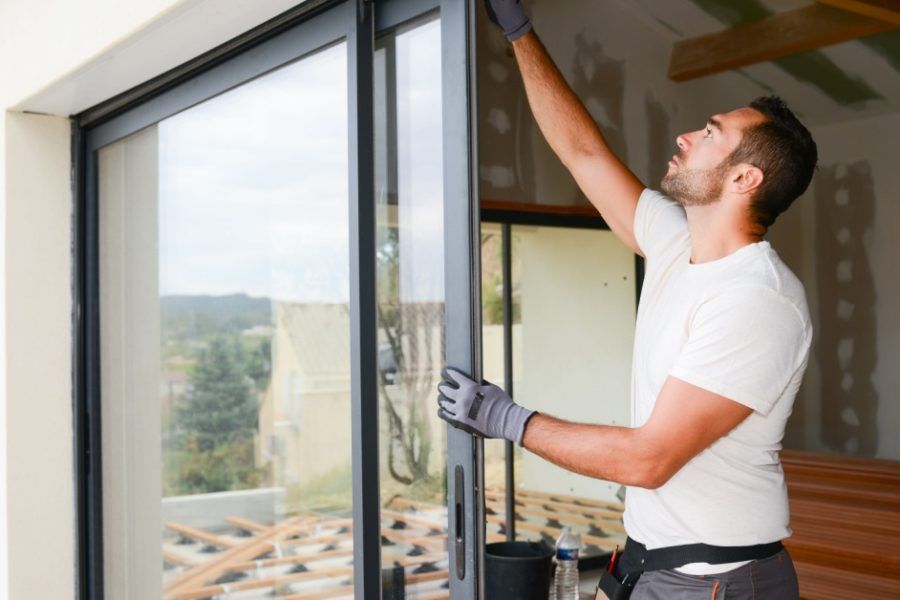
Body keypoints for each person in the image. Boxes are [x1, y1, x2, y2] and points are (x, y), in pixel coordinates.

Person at [436, 1, 818, 599]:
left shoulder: (758, 300)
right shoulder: (674, 242)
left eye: (711, 134)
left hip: (714, 583)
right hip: (650, 567)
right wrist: (519, 32)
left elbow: (649, 459)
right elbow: (583, 152)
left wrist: (507, 420)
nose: (685, 136)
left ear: (745, 179)